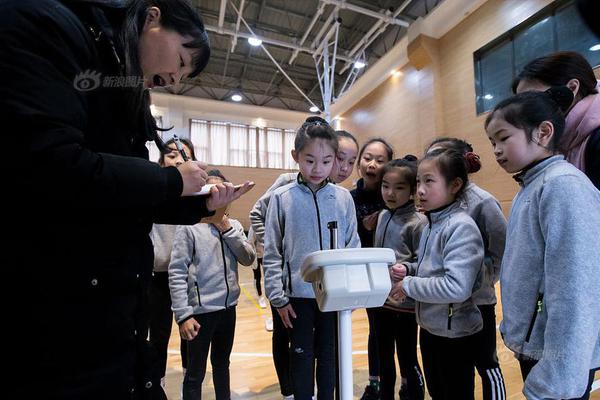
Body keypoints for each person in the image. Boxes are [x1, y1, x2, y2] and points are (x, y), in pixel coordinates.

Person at [1, 1, 253, 398]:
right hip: (56, 311)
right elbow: (53, 166)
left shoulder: (119, 77)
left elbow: (122, 195)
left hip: (110, 312)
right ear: (153, 17)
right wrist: (169, 180)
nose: (174, 79)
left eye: (185, 74)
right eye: (182, 60)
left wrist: (198, 204)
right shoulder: (51, 28)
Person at [484, 87, 600, 399]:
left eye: (503, 138)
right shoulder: (531, 185)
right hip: (537, 346)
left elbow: (576, 290)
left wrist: (556, 377)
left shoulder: (563, 187)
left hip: (557, 359)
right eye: (492, 142)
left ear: (543, 132)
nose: (496, 150)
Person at [249, 124, 359, 399]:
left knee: (329, 357)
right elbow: (273, 252)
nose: (317, 168)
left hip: (333, 296)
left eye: (326, 161)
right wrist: (278, 298)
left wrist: (351, 291)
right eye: (309, 160)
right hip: (296, 298)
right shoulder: (281, 198)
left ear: (334, 159)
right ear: (295, 156)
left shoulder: (343, 198)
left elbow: (352, 246)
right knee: (300, 357)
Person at [390, 148, 485, 400]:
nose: (419, 190)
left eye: (428, 181)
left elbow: (456, 287)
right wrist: (408, 269)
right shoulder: (433, 223)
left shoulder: (461, 227)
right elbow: (431, 269)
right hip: (433, 328)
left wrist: (409, 284)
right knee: (439, 392)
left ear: (455, 185)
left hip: (455, 335)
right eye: (418, 181)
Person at [426, 137, 507, 400]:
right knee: (452, 371)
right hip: (446, 305)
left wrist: (479, 282)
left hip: (478, 303)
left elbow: (500, 251)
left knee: (487, 365)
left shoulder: (483, 202)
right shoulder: (434, 205)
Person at [169, 170, 256, 400]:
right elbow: (176, 272)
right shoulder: (189, 227)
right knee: (195, 373)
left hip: (228, 310)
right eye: (210, 193)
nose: (216, 198)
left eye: (221, 192)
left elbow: (248, 258)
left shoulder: (234, 225)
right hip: (200, 313)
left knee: (222, 365)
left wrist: (226, 229)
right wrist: (183, 315)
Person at [373, 157, 426, 400]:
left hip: (405, 303)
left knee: (407, 357)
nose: (390, 193)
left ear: (413, 190)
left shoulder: (418, 222)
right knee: (383, 355)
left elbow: (425, 263)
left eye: (399, 187)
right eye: (385, 185)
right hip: (380, 301)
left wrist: (406, 269)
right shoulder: (383, 215)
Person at [149, 137, 197, 390]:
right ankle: (157, 383)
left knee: (189, 333)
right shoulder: (151, 190)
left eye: (184, 155)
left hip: (187, 277)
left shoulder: (193, 195)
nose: (178, 159)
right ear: (161, 160)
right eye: (171, 155)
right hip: (156, 277)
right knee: (158, 335)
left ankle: (189, 382)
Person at [512, 51, 600, 189]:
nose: (526, 112)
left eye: (532, 99)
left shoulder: (596, 138)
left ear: (571, 88)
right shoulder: (557, 139)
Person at [350, 137, 394, 400]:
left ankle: (406, 381)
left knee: (403, 333)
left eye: (380, 159)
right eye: (367, 158)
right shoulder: (349, 197)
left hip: (398, 276)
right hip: (368, 276)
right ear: (359, 163)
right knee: (376, 331)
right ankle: (375, 383)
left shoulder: (395, 196)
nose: (373, 164)